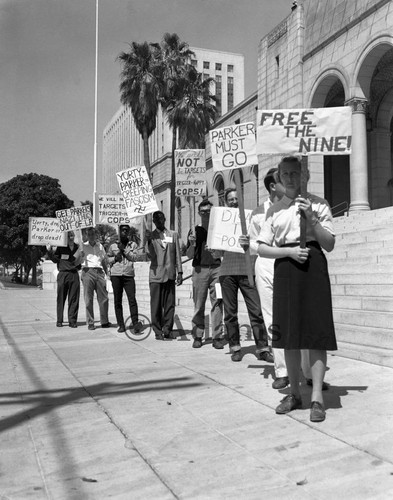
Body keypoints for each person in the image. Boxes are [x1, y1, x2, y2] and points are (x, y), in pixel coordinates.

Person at [257, 156, 337, 422]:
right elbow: (262, 247)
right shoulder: (274, 210)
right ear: (280, 177)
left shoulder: (319, 204)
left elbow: (329, 244)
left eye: (296, 173)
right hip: (287, 267)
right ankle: (294, 392)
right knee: (288, 335)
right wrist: (288, 251)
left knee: (316, 333)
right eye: (286, 174)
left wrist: (312, 219)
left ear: (305, 175)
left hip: (313, 265)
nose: (291, 178)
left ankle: (316, 397)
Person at [241, 168, 289, 388]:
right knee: (271, 318)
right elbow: (253, 243)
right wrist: (246, 244)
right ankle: (282, 371)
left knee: (297, 315)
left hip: (290, 263)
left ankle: (306, 370)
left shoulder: (296, 207)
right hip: (266, 266)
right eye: (284, 179)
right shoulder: (258, 213)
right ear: (272, 186)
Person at [214, 188, 272, 363]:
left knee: (256, 311)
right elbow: (217, 253)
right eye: (230, 199)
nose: (234, 201)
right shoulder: (220, 222)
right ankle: (235, 347)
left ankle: (262, 348)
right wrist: (213, 249)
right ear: (225, 202)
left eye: (236, 198)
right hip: (227, 272)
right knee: (230, 313)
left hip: (248, 269)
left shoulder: (251, 218)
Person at [186, 199, 225, 349]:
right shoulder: (194, 231)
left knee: (217, 302)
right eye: (203, 212)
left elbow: (224, 251)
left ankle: (217, 336)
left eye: (209, 212)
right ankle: (198, 335)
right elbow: (189, 255)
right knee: (199, 303)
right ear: (198, 213)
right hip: (199, 270)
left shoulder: (219, 229)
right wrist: (192, 244)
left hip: (217, 268)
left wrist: (217, 252)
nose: (206, 214)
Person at [145, 211, 183, 340]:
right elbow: (151, 255)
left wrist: (180, 272)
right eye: (156, 219)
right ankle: (157, 330)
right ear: (154, 222)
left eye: (161, 218)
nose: (159, 220)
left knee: (169, 304)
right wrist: (149, 241)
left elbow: (177, 253)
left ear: (165, 219)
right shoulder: (152, 236)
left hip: (170, 273)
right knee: (156, 305)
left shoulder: (173, 234)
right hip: (156, 275)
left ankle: (167, 329)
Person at [107, 225, 143, 334]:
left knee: (132, 299)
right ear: (119, 231)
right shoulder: (113, 245)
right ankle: (121, 325)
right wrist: (114, 258)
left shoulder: (133, 245)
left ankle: (135, 323)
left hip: (128, 275)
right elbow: (107, 259)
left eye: (126, 230)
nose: (124, 232)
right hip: (116, 275)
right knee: (118, 301)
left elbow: (135, 258)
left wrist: (125, 251)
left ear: (128, 232)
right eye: (122, 230)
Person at [47, 231, 82, 328]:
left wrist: (80, 261)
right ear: (66, 237)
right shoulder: (61, 247)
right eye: (69, 236)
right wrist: (49, 251)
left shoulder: (78, 247)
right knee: (61, 298)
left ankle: (72, 321)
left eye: (72, 236)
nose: (71, 237)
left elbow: (80, 262)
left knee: (74, 299)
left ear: (74, 236)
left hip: (74, 274)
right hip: (63, 274)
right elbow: (55, 259)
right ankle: (59, 320)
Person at [80, 226, 111, 331]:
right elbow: (77, 260)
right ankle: (90, 322)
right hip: (88, 271)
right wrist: (80, 256)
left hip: (99, 272)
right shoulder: (82, 247)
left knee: (104, 298)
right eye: (89, 234)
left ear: (96, 235)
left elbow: (104, 260)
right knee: (88, 298)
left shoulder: (100, 246)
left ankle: (104, 321)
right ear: (86, 236)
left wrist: (107, 274)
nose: (91, 236)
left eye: (93, 234)